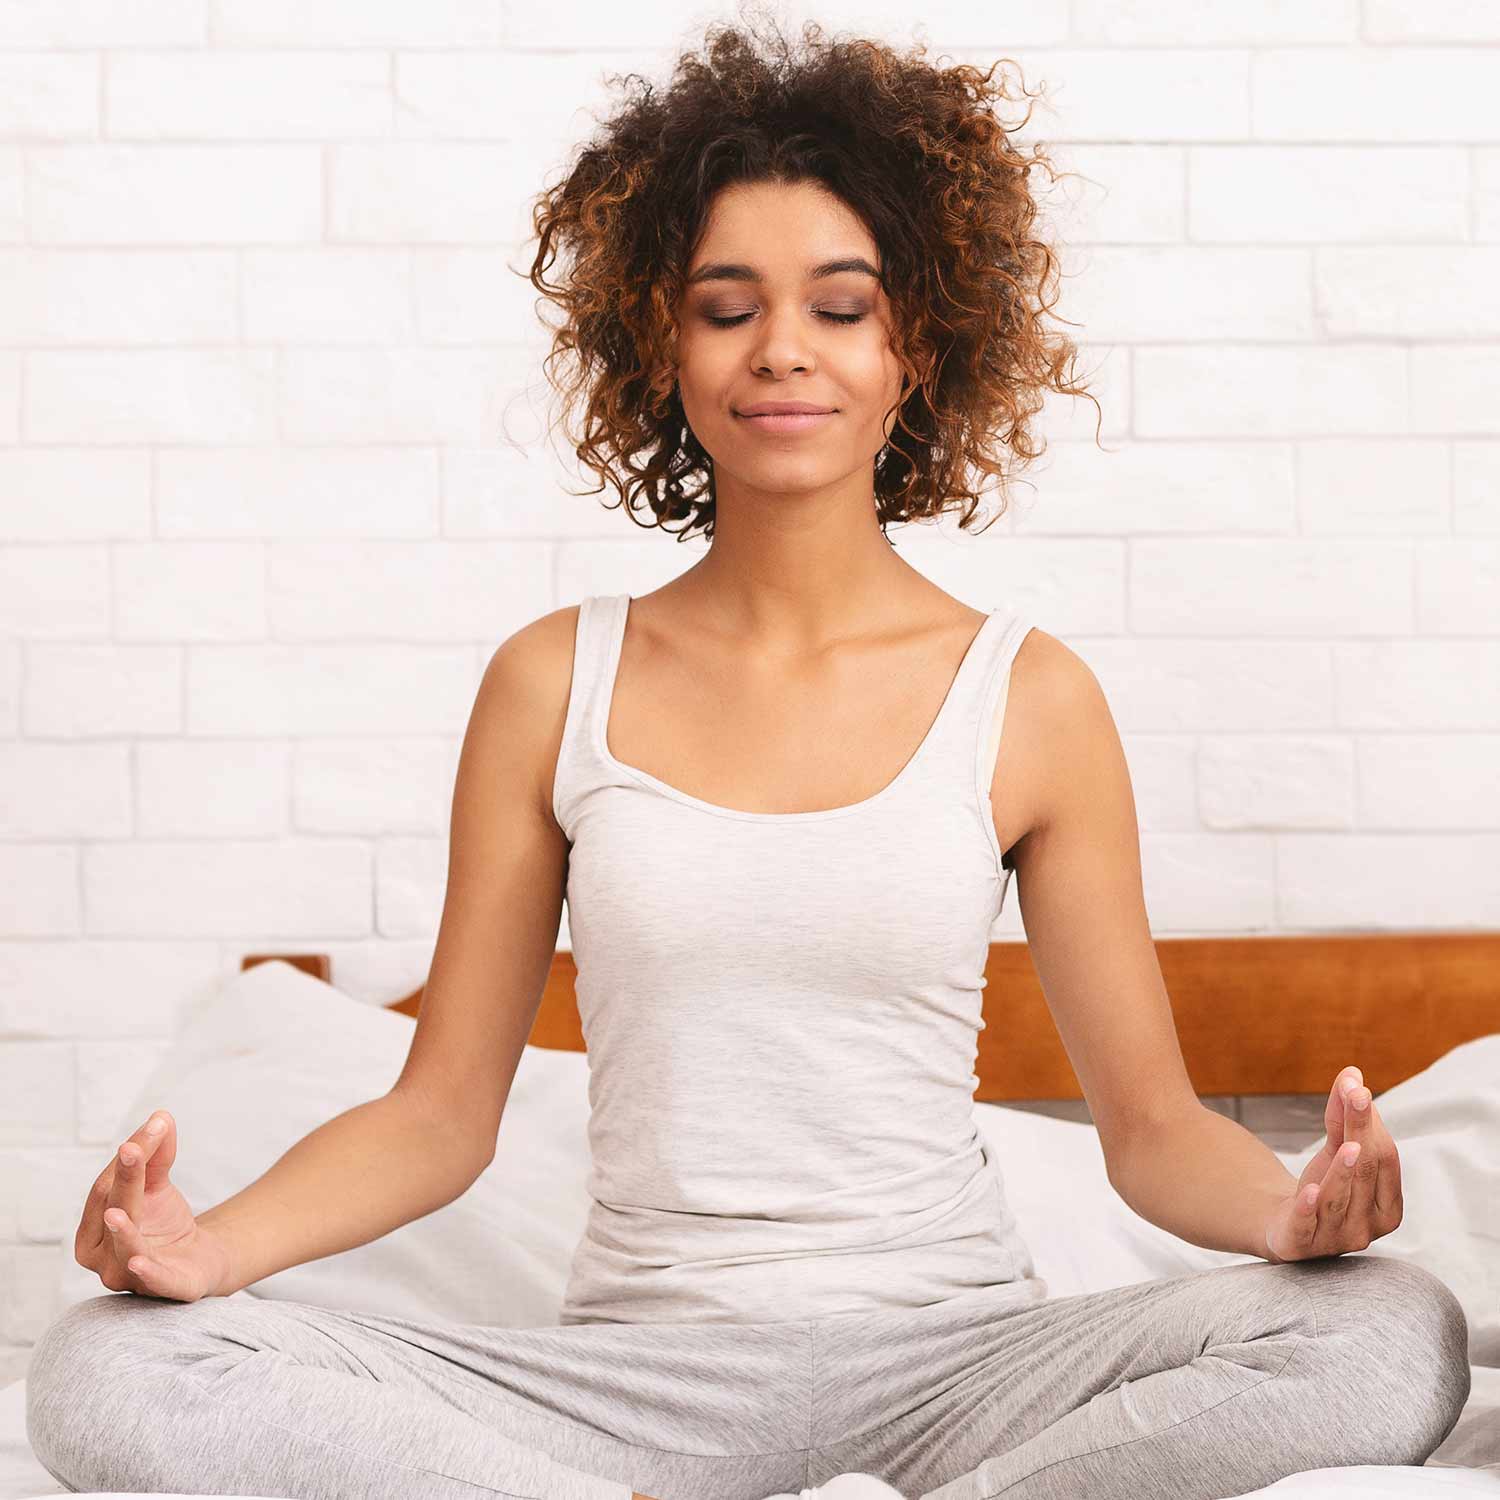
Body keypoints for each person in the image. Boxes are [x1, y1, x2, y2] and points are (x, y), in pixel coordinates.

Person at [25, 11, 1470, 1500]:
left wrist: (1299, 1219)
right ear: (665, 337)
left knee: (1391, 1330)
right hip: (626, 1391)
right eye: (730, 306)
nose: (784, 349)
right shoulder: (552, 682)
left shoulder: (1028, 697)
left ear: (921, 342)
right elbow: (439, 1115)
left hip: (956, 1375)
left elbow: (1156, 1134)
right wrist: (207, 1250)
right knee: (109, 1366)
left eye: (842, 307)